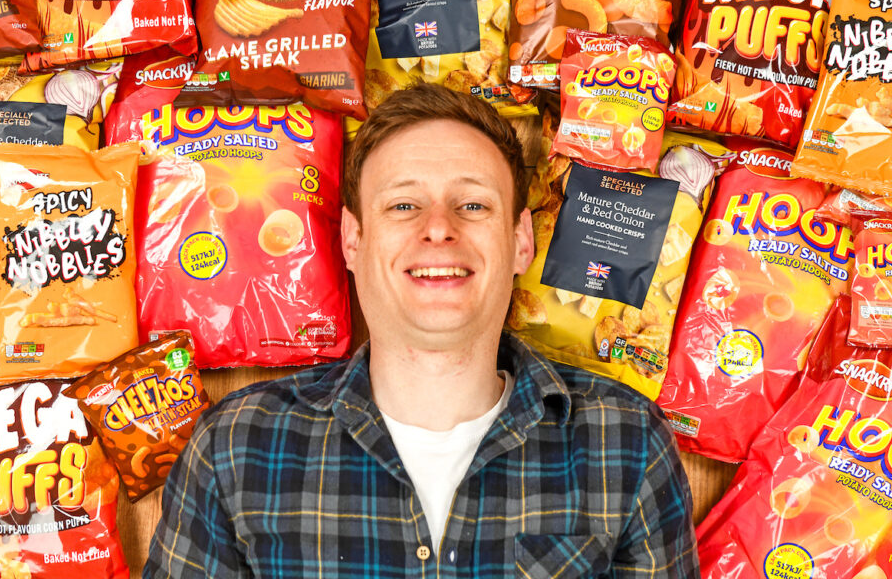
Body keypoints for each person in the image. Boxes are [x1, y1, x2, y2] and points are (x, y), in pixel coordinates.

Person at [144, 83, 699, 578]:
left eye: (473, 204)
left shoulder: (627, 444)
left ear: (521, 241)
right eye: (404, 204)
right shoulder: (236, 446)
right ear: (353, 241)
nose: (438, 228)